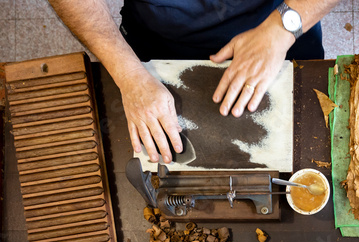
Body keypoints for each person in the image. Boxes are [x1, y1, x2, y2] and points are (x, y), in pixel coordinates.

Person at [48, 0, 340, 163]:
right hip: (160, 37)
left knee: (309, 149)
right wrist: (129, 75)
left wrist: (282, 29)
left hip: (279, 25)